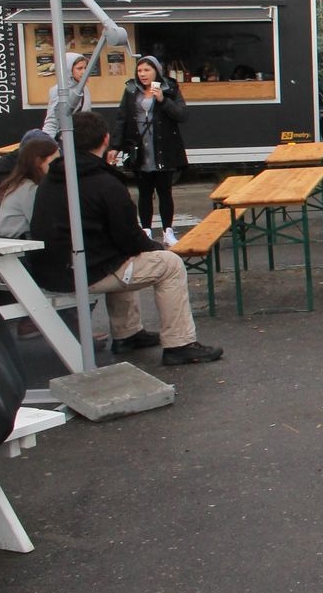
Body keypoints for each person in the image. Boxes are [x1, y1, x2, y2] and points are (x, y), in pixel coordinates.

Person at [28, 112, 222, 366]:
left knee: (122, 257)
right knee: (169, 265)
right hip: (84, 271)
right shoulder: (104, 182)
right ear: (106, 140)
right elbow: (130, 237)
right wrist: (157, 248)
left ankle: (128, 334)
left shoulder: (52, 179)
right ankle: (180, 343)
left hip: (50, 269)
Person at [115, 55, 189, 244]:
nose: (143, 74)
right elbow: (122, 118)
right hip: (140, 148)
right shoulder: (131, 89)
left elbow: (182, 115)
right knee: (144, 192)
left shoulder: (169, 88)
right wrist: (116, 146)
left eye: (147, 70)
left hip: (163, 147)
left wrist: (163, 100)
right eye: (140, 71)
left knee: (165, 191)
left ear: (156, 71)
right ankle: (146, 230)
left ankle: (167, 231)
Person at [0, 134, 59, 239]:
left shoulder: (14, 185)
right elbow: (43, 225)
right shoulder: (29, 189)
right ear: (38, 161)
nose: (59, 165)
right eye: (55, 161)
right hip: (18, 249)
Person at [41, 52, 93, 136]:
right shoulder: (59, 90)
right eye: (79, 68)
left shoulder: (84, 88)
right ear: (69, 69)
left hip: (82, 138)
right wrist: (47, 143)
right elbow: (52, 121)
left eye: (85, 68)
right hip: (65, 139)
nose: (84, 72)